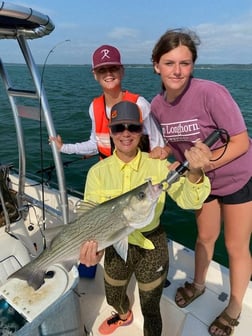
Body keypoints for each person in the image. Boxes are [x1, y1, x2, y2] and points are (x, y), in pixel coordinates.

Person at [79, 100, 212, 336]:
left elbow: (191, 201)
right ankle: (123, 314)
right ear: (110, 131)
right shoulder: (97, 172)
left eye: (133, 127)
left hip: (152, 242)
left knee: (151, 305)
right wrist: (94, 250)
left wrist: (195, 172)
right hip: (113, 239)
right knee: (113, 294)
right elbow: (91, 218)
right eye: (119, 128)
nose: (126, 133)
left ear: (142, 130)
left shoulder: (158, 167)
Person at [150, 28, 252, 336]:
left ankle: (234, 306)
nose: (177, 71)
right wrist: (164, 150)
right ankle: (197, 284)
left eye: (185, 63)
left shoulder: (211, 92)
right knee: (205, 237)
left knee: (235, 245)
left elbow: (240, 141)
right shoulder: (156, 106)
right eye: (169, 63)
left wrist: (208, 162)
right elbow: (176, 142)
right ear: (156, 65)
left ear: (193, 65)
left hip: (237, 178)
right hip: (201, 182)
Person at [50, 44, 165, 159]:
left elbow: (158, 145)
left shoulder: (140, 104)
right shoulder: (94, 106)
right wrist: (63, 148)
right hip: (108, 173)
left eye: (113, 68)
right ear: (95, 75)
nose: (108, 73)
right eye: (102, 70)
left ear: (122, 72)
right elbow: (96, 144)